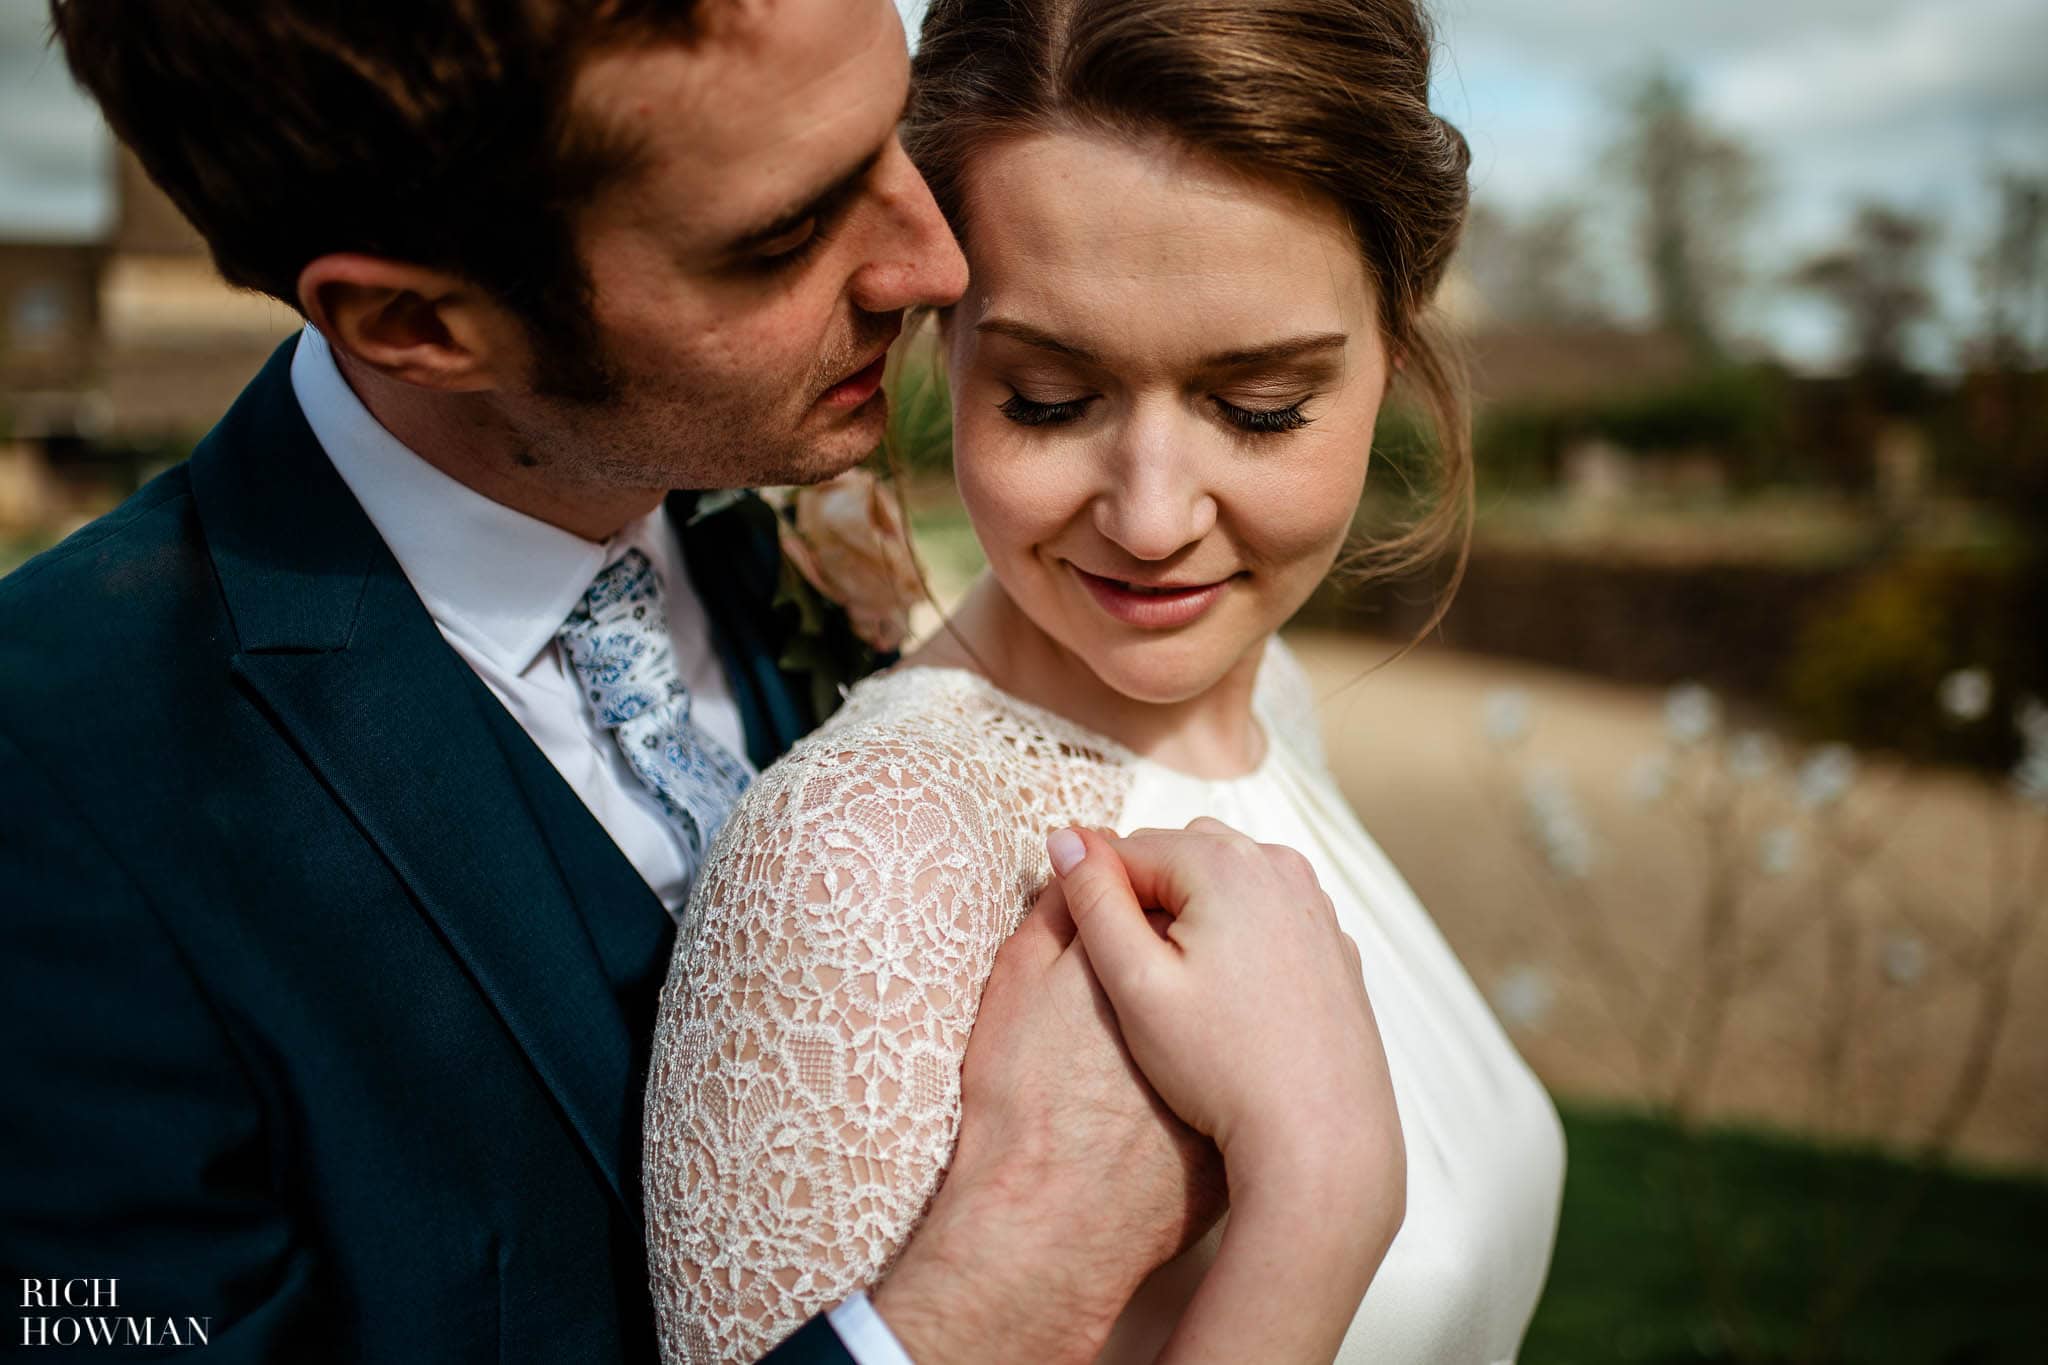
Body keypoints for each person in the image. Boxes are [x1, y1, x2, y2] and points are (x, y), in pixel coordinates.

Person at [2, 1, 1389, 1361]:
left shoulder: (788, 516)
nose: (935, 263)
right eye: (784, 235)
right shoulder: (58, 783)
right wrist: (996, 1276)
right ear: (418, 323)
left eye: (891, 131)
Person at [642, 0, 1569, 1361]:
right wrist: (1313, 1201)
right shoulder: (860, 864)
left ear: (1395, 346)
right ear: (942, 345)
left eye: (1258, 407)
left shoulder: (1273, 702)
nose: (1149, 518)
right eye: (1049, 398)